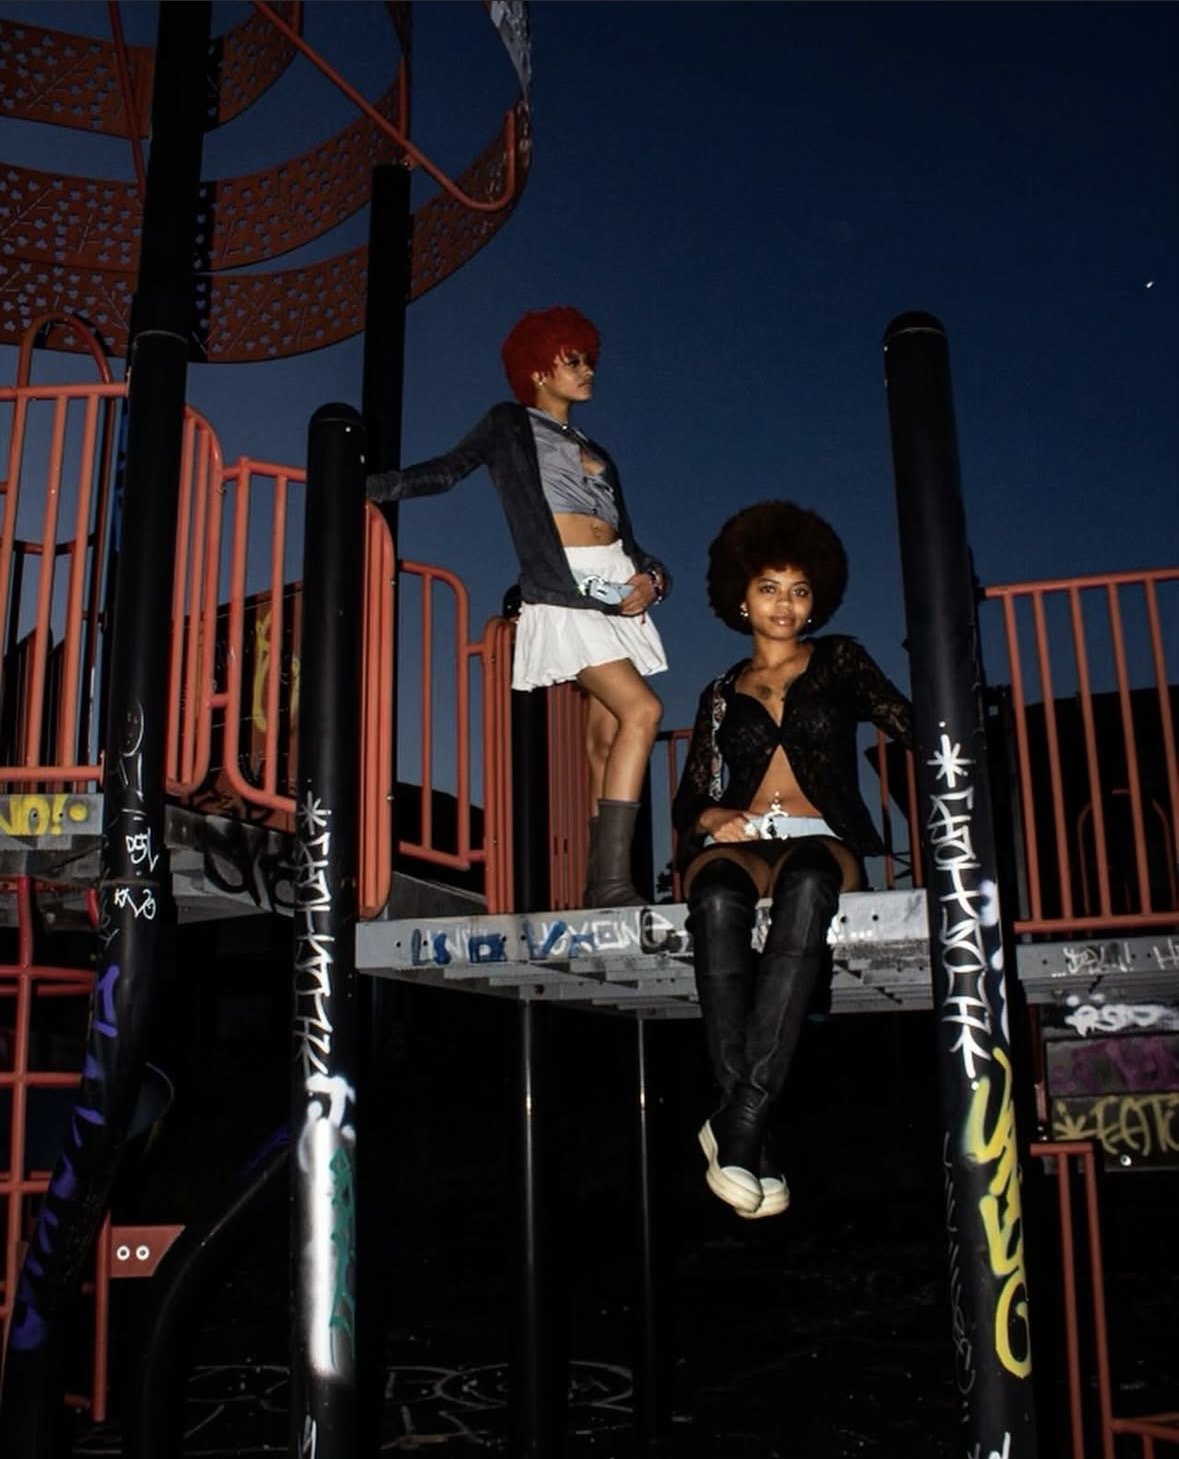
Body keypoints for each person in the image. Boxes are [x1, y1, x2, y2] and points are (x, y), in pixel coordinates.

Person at [367, 306, 670, 907]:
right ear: (538, 367)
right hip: (565, 588)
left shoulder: (596, 446)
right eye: (573, 360)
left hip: (618, 586)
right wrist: (370, 485)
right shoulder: (508, 424)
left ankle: (599, 881)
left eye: (589, 360)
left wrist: (655, 580)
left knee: (606, 740)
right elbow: (447, 471)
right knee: (644, 711)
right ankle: (612, 881)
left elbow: (627, 536)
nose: (587, 371)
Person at [671, 501, 912, 1218]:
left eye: (799, 590)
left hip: (820, 838)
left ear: (816, 602)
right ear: (739, 597)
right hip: (744, 847)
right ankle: (748, 1131)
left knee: (807, 881)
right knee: (710, 894)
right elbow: (690, 802)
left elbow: (907, 721)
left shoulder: (838, 659)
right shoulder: (718, 694)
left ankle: (742, 1115)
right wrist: (712, 817)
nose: (784, 603)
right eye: (769, 587)